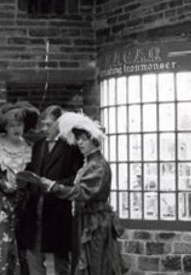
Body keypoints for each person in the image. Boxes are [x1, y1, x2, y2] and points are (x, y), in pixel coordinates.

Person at [37, 112, 127, 275]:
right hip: (86, 219)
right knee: (85, 263)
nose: (80, 143)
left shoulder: (97, 165)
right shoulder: (89, 163)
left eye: (84, 139)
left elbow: (82, 192)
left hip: (95, 222)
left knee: (96, 263)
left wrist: (54, 186)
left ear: (94, 140)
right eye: (78, 139)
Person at [18, 105, 84, 275]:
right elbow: (32, 169)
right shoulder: (38, 145)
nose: (44, 129)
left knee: (59, 255)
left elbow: (76, 177)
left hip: (57, 206)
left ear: (59, 124)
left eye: (49, 125)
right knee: (33, 250)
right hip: (35, 205)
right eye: (43, 124)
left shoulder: (72, 147)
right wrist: (24, 180)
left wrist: (54, 185)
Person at [0, 102, 39, 275]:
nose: (16, 128)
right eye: (12, 125)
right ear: (5, 126)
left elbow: (34, 175)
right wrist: (0, 183)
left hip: (21, 202)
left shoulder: (28, 147)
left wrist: (25, 184)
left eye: (19, 124)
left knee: (20, 244)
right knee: (1, 243)